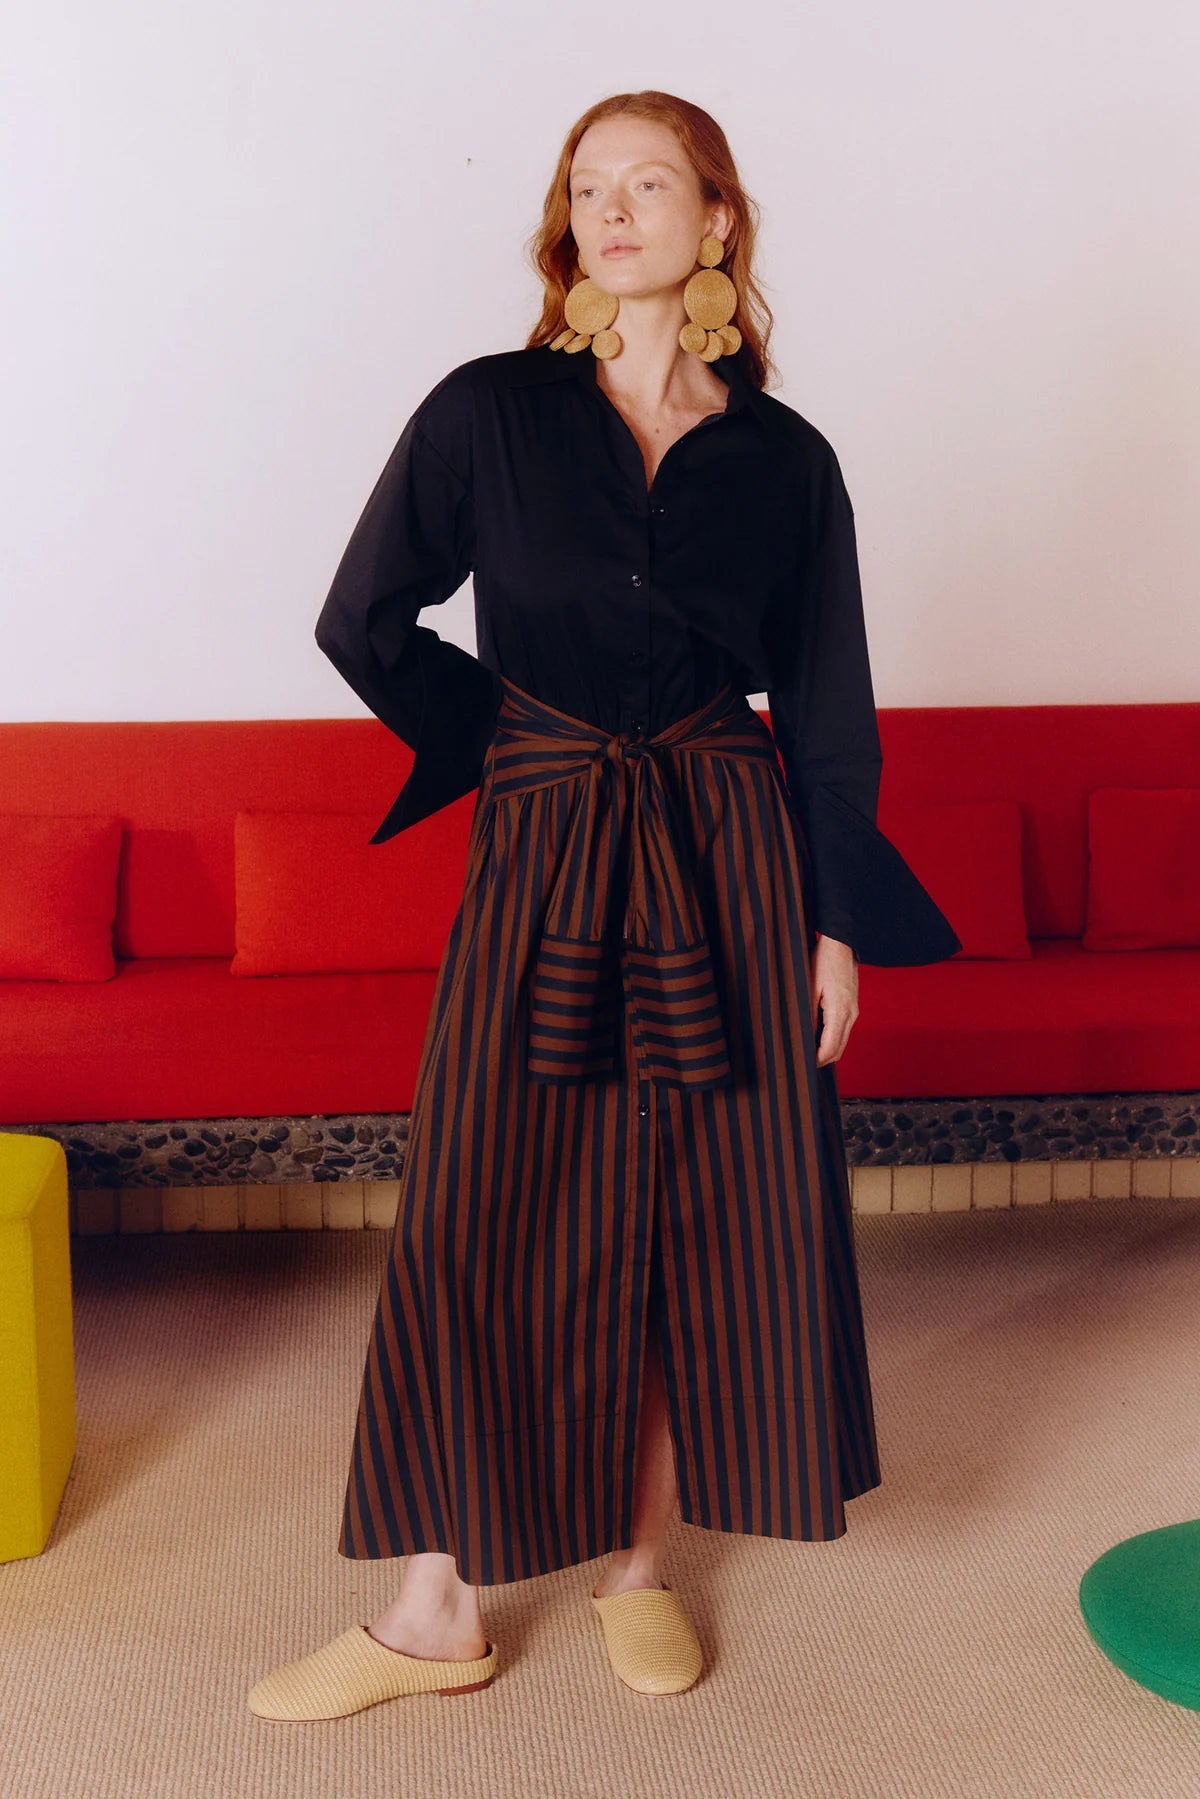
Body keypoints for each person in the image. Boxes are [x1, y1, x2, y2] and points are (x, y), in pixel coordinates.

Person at [249, 89, 960, 1723]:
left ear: (718, 219)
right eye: (590, 187)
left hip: (730, 849)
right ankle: (434, 1607)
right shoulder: (488, 414)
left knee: (694, 1204)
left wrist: (834, 925)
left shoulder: (785, 460)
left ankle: (639, 1563)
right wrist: (510, 738)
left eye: (651, 183)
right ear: (568, 224)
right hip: (553, 843)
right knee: (483, 1206)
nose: (616, 211)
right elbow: (364, 618)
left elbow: (829, 705)